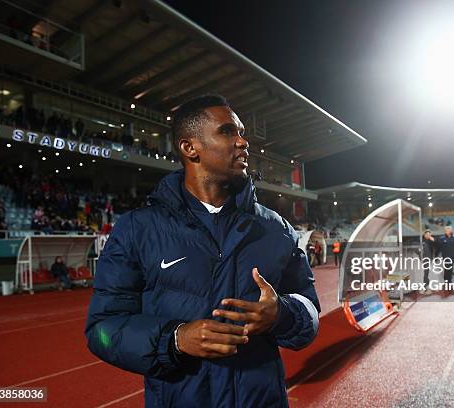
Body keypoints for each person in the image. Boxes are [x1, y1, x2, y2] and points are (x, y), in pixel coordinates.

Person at [85, 94, 320, 407]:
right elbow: (102, 328)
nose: (242, 142)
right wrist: (176, 339)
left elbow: (311, 311)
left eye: (242, 133)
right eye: (227, 132)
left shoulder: (275, 227)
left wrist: (282, 313)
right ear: (189, 148)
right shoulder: (138, 229)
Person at [420, 230, 436, 295]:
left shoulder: (431, 241)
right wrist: (420, 256)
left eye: (430, 234)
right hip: (425, 259)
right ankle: (425, 286)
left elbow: (436, 246)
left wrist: (433, 241)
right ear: (425, 235)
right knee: (426, 272)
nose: (429, 236)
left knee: (427, 273)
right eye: (427, 234)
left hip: (430, 259)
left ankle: (426, 286)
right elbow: (418, 250)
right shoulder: (422, 241)